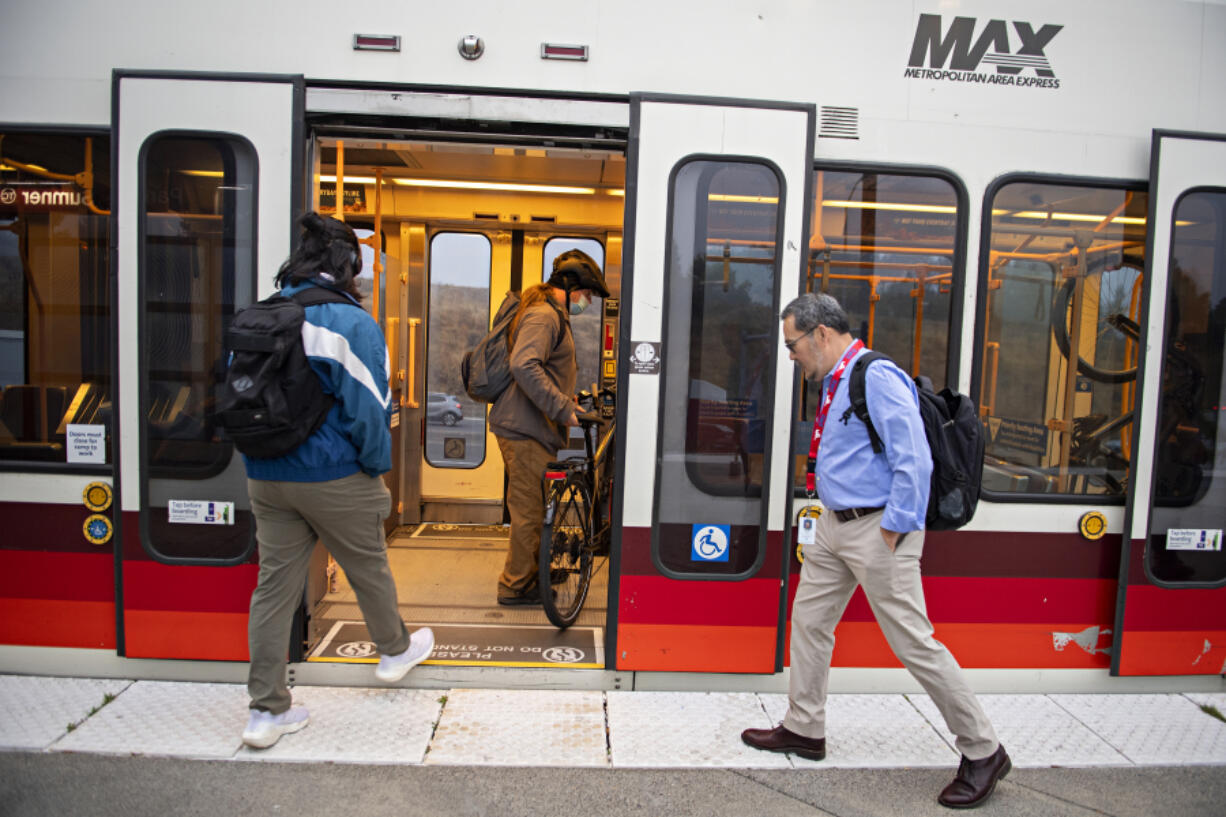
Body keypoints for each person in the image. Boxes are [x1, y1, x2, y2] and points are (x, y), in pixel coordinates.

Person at [742, 293, 1010, 809]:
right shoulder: (836, 381)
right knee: (809, 621)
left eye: (792, 345)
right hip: (835, 528)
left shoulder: (876, 377)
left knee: (913, 641)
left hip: (877, 530)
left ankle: (983, 751)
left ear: (820, 334)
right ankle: (804, 726)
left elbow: (916, 460)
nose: (791, 355)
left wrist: (895, 528)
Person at [240, 213, 434, 749]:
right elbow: (371, 412)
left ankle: (265, 713)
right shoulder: (350, 324)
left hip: (265, 474)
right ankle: (394, 652)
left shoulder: (264, 315)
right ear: (347, 267)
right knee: (368, 565)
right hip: (332, 475)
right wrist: (376, 471)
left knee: (274, 588)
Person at [489, 250, 609, 605]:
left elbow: (543, 370)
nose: (587, 302)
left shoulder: (549, 314)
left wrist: (565, 401)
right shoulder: (544, 316)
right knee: (528, 512)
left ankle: (534, 573)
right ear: (572, 288)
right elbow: (524, 365)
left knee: (538, 506)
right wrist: (560, 407)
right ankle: (515, 586)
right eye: (587, 295)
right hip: (524, 430)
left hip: (533, 428)